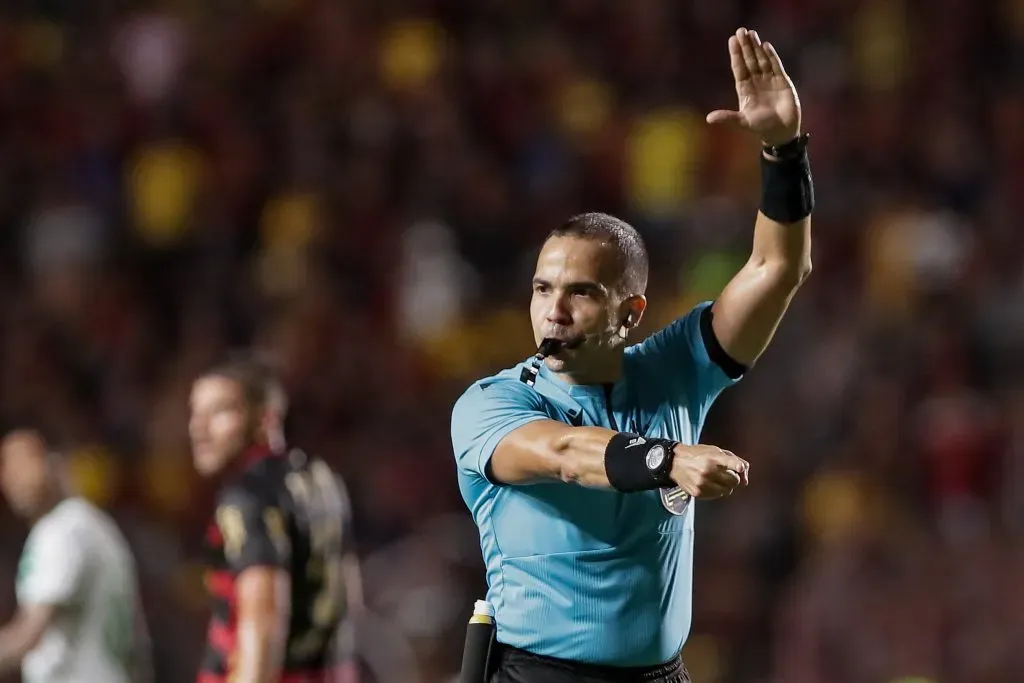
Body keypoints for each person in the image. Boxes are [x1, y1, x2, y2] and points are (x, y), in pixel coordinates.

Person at [451, 28, 813, 683]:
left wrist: (782, 148)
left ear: (630, 311)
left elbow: (777, 266)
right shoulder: (493, 403)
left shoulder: (675, 369)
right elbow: (563, 454)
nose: (553, 308)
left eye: (580, 292)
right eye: (542, 288)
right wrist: (670, 458)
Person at [189, 355, 363, 683]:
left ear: (265, 419)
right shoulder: (322, 478)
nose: (199, 428)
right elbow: (351, 597)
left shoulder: (248, 497)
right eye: (196, 413)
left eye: (220, 412)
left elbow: (262, 624)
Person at [0, 428, 152, 683]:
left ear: (54, 462)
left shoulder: (60, 531)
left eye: (25, 461)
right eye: (6, 467)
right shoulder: (96, 525)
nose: (13, 477)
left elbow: (29, 634)